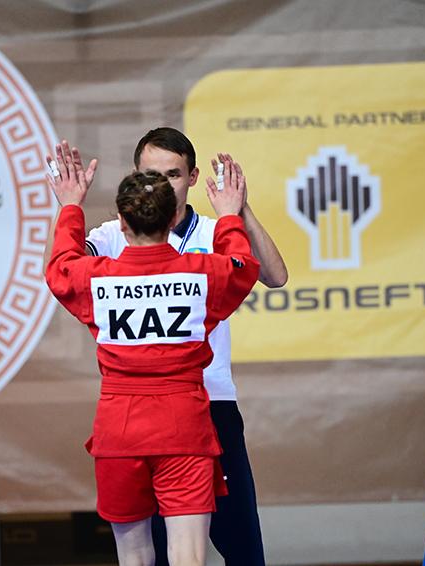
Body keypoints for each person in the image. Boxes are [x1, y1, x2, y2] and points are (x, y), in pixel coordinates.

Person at [42, 129, 288, 564]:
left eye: (171, 174)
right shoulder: (203, 270)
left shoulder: (106, 271)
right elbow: (241, 267)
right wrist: (231, 216)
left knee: (222, 548)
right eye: (150, 174)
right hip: (185, 420)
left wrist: (69, 206)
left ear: (191, 177)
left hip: (166, 415)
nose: (160, 184)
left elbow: (61, 270)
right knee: (183, 552)